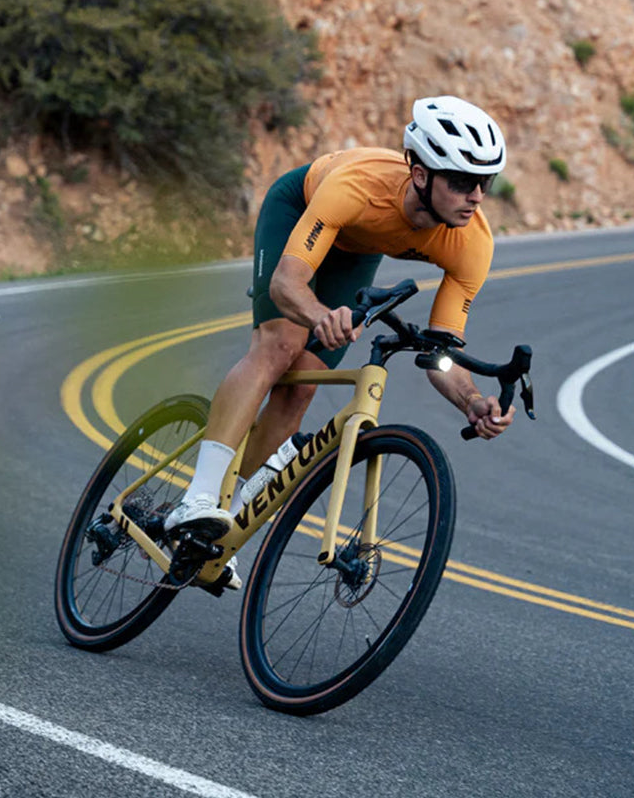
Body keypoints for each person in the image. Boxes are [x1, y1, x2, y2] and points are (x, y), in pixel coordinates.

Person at [165, 95, 516, 587]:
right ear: (420, 175)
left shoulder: (472, 242)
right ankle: (197, 498)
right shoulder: (359, 186)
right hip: (302, 210)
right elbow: (286, 284)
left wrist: (473, 400)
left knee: (301, 386)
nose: (476, 196)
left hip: (359, 247)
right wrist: (318, 315)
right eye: (461, 181)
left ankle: (222, 525)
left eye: (486, 182)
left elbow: (441, 352)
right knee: (279, 348)